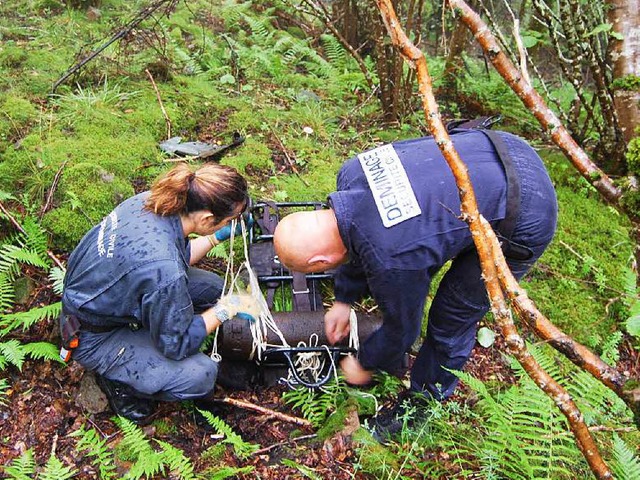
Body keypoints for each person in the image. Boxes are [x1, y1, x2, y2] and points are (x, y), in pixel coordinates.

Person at [273, 127, 558, 437]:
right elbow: (357, 234)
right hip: (497, 147)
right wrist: (343, 299)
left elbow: (403, 331)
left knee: (450, 318)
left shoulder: (390, 259)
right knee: (418, 241)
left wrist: (365, 361)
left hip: (525, 208)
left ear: (320, 264)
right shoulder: (352, 172)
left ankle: (421, 406)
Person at [60, 163, 259, 424]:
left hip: (104, 296)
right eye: (227, 220)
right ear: (207, 219)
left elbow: (176, 256)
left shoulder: (154, 201)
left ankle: (147, 335)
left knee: (213, 288)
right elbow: (175, 345)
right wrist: (225, 309)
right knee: (201, 374)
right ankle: (120, 383)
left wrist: (216, 237)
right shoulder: (163, 269)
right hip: (93, 336)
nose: (230, 223)